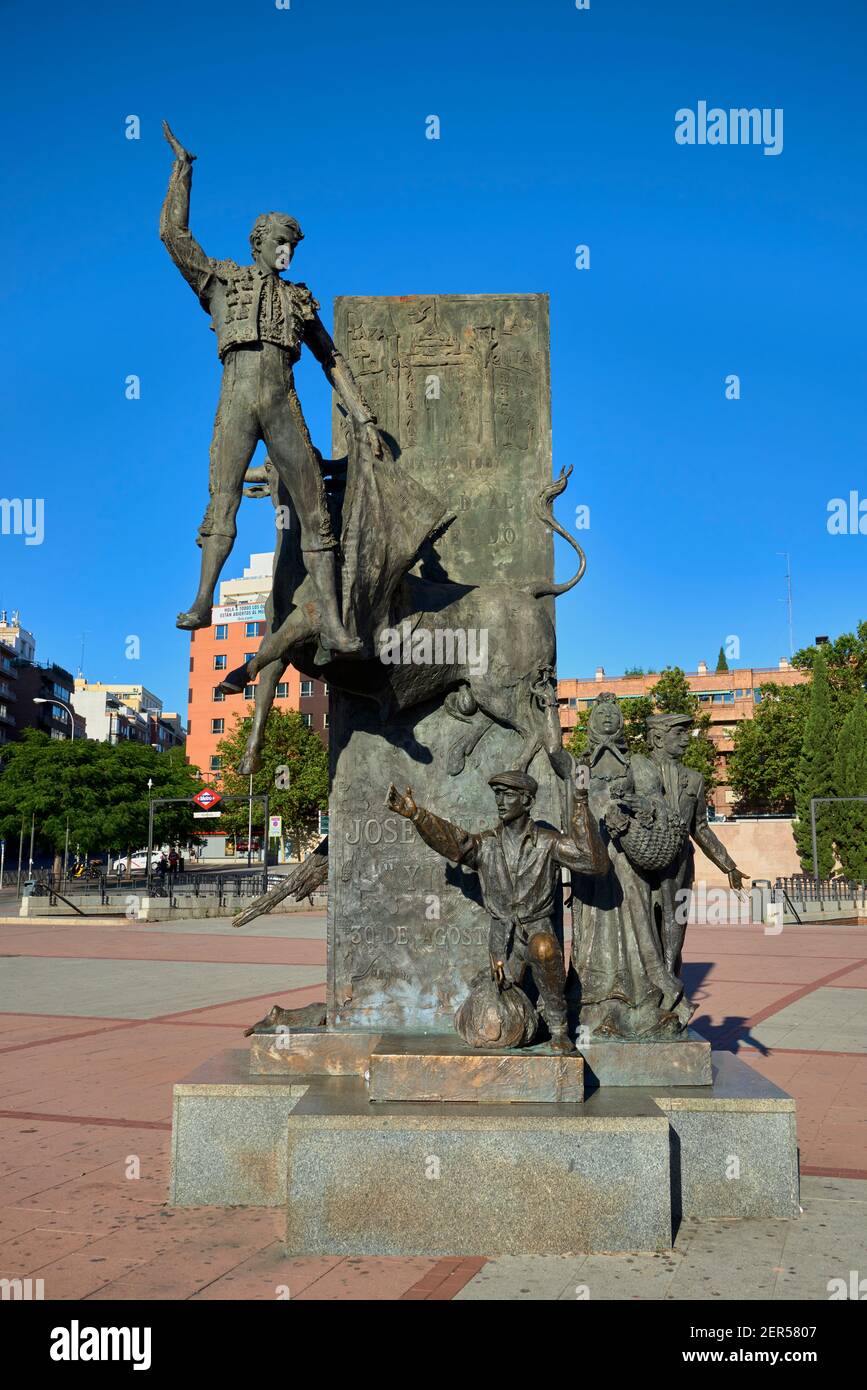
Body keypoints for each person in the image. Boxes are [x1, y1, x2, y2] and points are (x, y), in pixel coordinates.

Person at [159, 121, 382, 656]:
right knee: (222, 502)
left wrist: (362, 416)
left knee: (315, 512)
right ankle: (204, 599)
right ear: (258, 241)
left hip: (284, 406)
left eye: (293, 247)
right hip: (236, 402)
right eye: (281, 242)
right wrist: (182, 171)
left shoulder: (301, 299)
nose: (287, 253)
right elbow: (174, 236)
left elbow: (332, 360)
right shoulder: (221, 280)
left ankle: (332, 622)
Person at [387, 767, 607, 1054]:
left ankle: (559, 1029)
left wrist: (580, 802)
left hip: (536, 930)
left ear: (527, 801)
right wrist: (417, 816)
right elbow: (455, 843)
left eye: (508, 795)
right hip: (502, 941)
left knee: (543, 948)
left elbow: (593, 862)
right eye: (497, 795)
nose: (500, 801)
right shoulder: (488, 844)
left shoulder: (547, 841)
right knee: (498, 1015)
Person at [571, 693, 690, 1038]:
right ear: (591, 721)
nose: (607, 717)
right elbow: (574, 805)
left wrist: (630, 807)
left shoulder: (636, 764)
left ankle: (640, 1004)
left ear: (622, 721)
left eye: (613, 712)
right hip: (590, 865)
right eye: (601, 712)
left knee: (636, 930)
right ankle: (597, 1006)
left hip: (627, 860)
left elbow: (658, 807)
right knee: (593, 935)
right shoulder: (582, 766)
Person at [630, 711, 745, 977]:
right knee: (644, 925)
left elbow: (700, 828)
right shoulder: (635, 771)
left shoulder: (694, 779)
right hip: (642, 862)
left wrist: (729, 866)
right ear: (658, 738)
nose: (686, 740)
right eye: (678, 734)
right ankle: (650, 983)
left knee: (675, 923)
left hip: (680, 864)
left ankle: (670, 979)